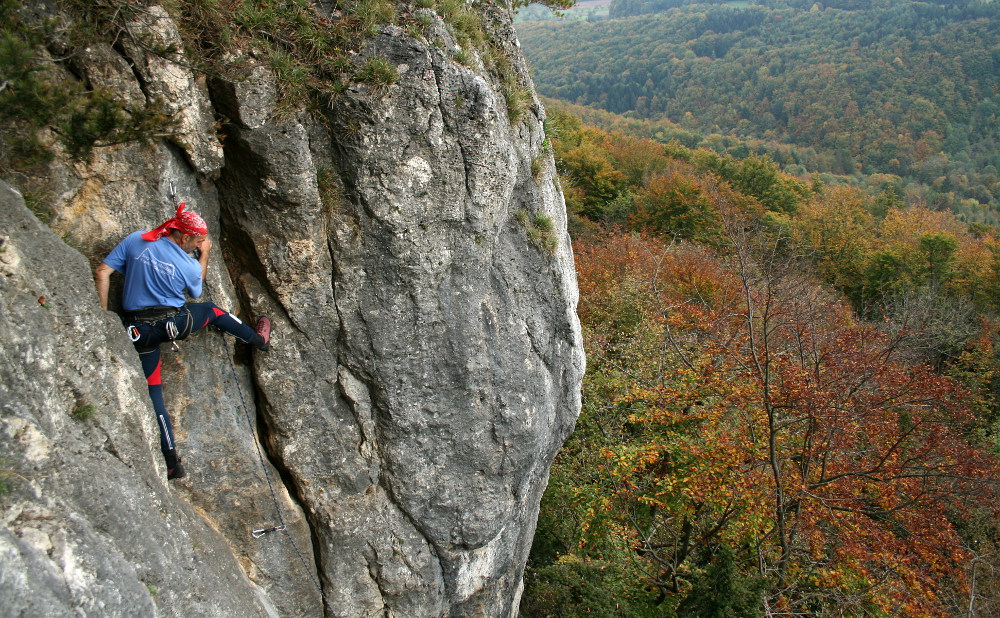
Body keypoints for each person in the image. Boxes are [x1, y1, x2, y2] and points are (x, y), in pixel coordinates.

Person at [94, 203, 271, 480]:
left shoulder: (136, 240)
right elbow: (196, 288)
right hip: (172, 324)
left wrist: (103, 318)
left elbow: (103, 272)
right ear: (185, 238)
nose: (200, 244)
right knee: (212, 311)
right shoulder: (189, 265)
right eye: (198, 241)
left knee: (154, 395)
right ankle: (258, 340)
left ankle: (171, 462)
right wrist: (205, 256)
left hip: (137, 332)